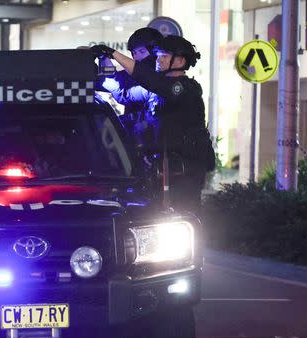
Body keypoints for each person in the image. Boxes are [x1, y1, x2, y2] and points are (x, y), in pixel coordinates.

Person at [91, 35, 215, 215]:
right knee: (155, 217)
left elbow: (154, 82)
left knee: (185, 217)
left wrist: (113, 53)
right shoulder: (156, 90)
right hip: (159, 169)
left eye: (164, 56)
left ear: (180, 60)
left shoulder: (186, 88)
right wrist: (93, 76)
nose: (159, 60)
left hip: (186, 171)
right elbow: (124, 93)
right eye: (158, 56)